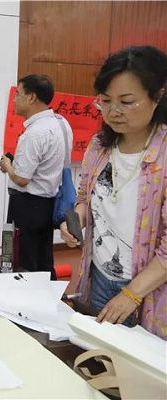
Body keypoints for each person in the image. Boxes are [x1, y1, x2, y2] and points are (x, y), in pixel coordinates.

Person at [61, 46, 167, 339]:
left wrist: (132, 294)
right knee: (100, 355)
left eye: (127, 101)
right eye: (105, 101)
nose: (113, 112)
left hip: (150, 290)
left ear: (158, 96)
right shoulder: (100, 146)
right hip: (99, 276)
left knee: (142, 363)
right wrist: (77, 219)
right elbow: (85, 198)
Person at [0, 74, 73, 280]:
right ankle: (51, 297)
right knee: (44, 259)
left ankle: (28, 298)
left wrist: (8, 166)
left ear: (31, 97)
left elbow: (22, 179)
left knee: (25, 262)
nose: (14, 99)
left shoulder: (35, 133)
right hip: (48, 203)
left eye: (18, 94)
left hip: (27, 206)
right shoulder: (62, 123)